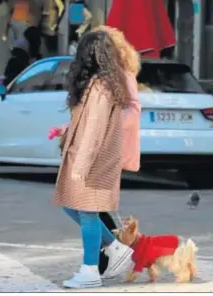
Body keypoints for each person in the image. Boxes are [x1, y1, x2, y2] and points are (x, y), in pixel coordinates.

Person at [53, 26, 141, 289]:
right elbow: (87, 123)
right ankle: (114, 246)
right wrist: (67, 131)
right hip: (92, 155)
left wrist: (81, 164)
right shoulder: (100, 83)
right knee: (71, 204)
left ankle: (90, 270)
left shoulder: (103, 86)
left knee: (88, 213)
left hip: (96, 159)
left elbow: (94, 129)